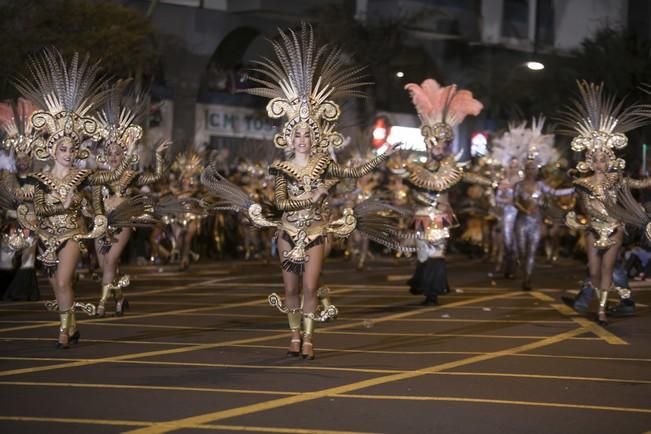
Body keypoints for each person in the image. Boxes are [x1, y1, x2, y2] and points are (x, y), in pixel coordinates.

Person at [202, 23, 401, 359]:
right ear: (290, 137)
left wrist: (382, 156)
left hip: (317, 231)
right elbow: (280, 202)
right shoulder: (281, 168)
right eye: (298, 134)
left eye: (308, 134)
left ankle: (309, 340)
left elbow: (352, 172)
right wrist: (311, 196)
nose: (303, 139)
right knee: (290, 288)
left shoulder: (324, 164)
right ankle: (293, 334)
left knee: (310, 286)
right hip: (288, 231)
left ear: (314, 137)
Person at [11, 48, 137, 347]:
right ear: (52, 150)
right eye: (62, 149)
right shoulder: (41, 179)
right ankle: (71, 324)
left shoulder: (83, 175)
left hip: (72, 235)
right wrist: (56, 205)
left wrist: (128, 156)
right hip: (46, 237)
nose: (67, 154)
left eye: (71, 149)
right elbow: (39, 210)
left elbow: (112, 176)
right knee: (55, 285)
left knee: (66, 280)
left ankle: (63, 333)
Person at [560, 81, 651, 325]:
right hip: (592, 229)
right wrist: (573, 220)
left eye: (603, 158)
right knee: (593, 271)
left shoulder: (617, 178)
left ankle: (601, 310)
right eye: (595, 158)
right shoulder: (583, 183)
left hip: (614, 228)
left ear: (609, 158)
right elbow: (580, 206)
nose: (599, 162)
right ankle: (593, 300)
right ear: (589, 160)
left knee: (609, 271)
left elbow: (638, 186)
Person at [399, 79, 483, 305]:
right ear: (428, 145)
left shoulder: (451, 168)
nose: (441, 149)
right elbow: (400, 176)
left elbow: (468, 176)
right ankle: (423, 285)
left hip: (441, 218)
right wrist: (395, 164)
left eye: (444, 146)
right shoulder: (415, 169)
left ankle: (432, 292)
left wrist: (490, 181)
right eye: (437, 145)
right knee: (423, 256)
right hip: (421, 217)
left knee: (437, 256)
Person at [92, 82, 170, 316]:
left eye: (118, 153)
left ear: (124, 154)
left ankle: (101, 304)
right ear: (105, 155)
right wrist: (97, 219)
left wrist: (157, 156)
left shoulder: (132, 175)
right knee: (105, 264)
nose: (114, 156)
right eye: (110, 153)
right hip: (101, 221)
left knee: (111, 260)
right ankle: (120, 298)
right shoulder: (98, 176)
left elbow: (156, 176)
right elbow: (95, 200)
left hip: (123, 220)